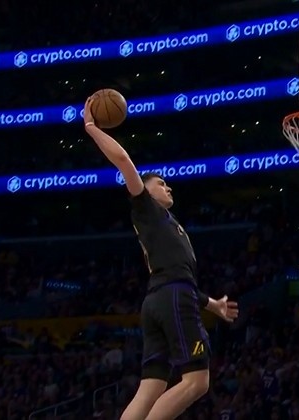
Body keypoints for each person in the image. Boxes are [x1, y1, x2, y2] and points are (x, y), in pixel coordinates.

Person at [83, 97, 239, 420]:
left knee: (151, 387)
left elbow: (178, 277)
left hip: (160, 299)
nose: (169, 188)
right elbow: (123, 159)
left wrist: (213, 305)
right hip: (171, 297)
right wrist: (90, 127)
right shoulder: (146, 208)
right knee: (197, 381)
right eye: (162, 183)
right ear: (147, 190)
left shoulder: (170, 226)